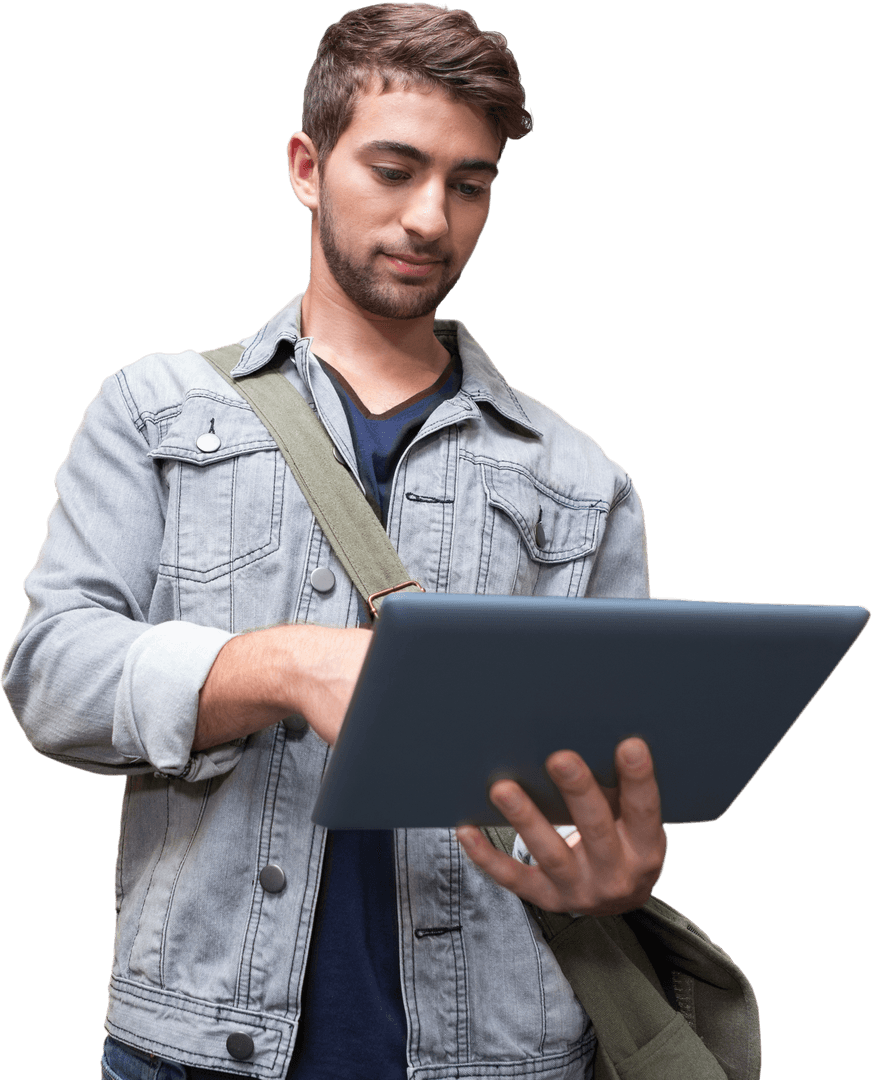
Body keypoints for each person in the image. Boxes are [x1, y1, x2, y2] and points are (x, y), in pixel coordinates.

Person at [3, 5, 668, 1078]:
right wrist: (280, 665)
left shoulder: (577, 477)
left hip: (498, 1054)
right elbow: (50, 675)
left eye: (468, 183)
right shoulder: (152, 409)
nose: (428, 219)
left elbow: (601, 767)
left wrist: (610, 865)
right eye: (393, 169)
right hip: (197, 1051)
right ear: (306, 166)